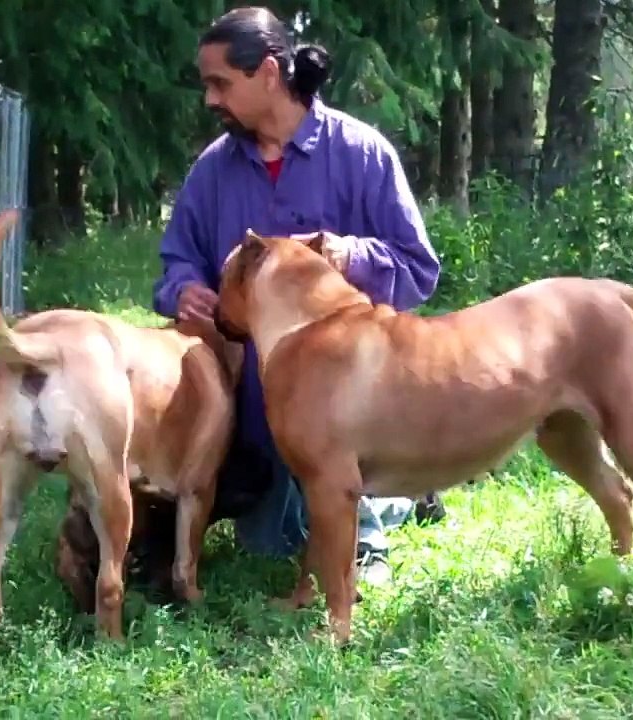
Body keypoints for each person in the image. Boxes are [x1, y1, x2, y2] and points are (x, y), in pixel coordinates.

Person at [152, 7, 446, 587]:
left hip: (348, 411)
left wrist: (350, 257)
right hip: (252, 415)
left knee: (339, 515)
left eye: (220, 83)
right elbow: (176, 260)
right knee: (268, 546)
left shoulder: (361, 155)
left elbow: (418, 270)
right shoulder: (213, 172)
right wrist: (184, 288)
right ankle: (376, 499)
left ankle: (387, 504)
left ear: (267, 73)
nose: (210, 99)